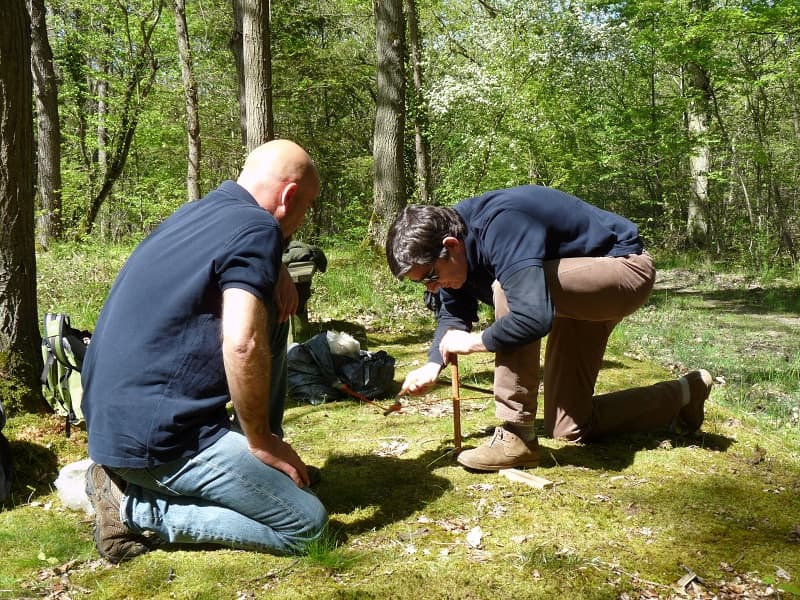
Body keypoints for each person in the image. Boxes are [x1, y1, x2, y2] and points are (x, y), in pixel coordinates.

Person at [82, 139, 328, 563]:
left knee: (273, 312)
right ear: (289, 196)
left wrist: (277, 268)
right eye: (304, 209)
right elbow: (242, 341)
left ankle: (256, 467)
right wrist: (262, 439)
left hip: (112, 422)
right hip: (160, 442)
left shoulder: (201, 211)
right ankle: (134, 509)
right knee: (307, 526)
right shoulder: (259, 228)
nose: (301, 220)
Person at [386, 185, 713, 472]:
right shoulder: (452, 256)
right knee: (570, 426)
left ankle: (515, 436)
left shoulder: (503, 225)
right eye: (422, 284)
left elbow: (532, 317)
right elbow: (453, 313)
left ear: (451, 245)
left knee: (507, 292)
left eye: (430, 276)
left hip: (623, 271)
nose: (431, 287)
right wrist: (433, 364)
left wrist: (476, 342)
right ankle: (685, 393)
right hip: (567, 295)